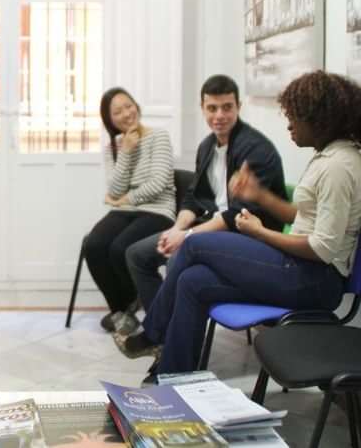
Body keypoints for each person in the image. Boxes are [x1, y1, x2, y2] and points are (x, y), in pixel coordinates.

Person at [118, 70, 361, 378]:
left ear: (320, 120)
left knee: (192, 245)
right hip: (300, 269)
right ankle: (172, 376)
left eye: (295, 117)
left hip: (314, 280)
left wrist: (260, 232)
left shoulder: (338, 166)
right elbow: (299, 216)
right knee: (193, 281)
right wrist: (260, 194)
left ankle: (154, 333)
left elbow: (322, 249)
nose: (288, 124)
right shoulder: (330, 156)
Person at [124, 75, 286, 320]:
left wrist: (186, 236)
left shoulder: (256, 149)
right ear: (202, 109)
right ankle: (165, 330)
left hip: (249, 234)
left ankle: (164, 335)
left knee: (176, 260)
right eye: (212, 108)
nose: (219, 115)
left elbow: (237, 216)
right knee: (137, 255)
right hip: (214, 227)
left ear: (238, 107)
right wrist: (176, 229)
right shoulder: (207, 146)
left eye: (227, 107)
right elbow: (193, 198)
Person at [84, 88, 175, 335]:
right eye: (117, 112)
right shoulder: (113, 147)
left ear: (137, 105)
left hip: (158, 210)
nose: (126, 113)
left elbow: (159, 183)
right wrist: (125, 151)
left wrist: (126, 197)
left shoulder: (159, 137)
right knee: (93, 245)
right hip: (126, 210)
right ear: (110, 120)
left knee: (119, 248)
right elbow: (113, 188)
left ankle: (131, 301)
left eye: (129, 106)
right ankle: (121, 311)